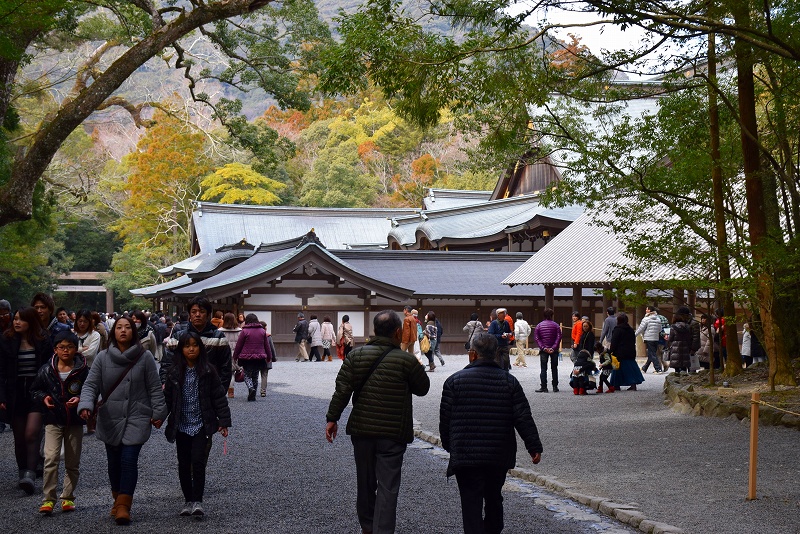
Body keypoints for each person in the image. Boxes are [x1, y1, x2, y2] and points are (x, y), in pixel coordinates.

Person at [325, 310, 430, 534]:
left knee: (365, 482)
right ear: (396, 332)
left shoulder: (356, 356)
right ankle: (382, 530)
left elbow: (342, 390)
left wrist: (332, 418)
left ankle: (367, 526)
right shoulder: (406, 360)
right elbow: (423, 388)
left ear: (374, 331)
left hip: (362, 431)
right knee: (388, 486)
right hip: (393, 432)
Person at [439, 332, 543, 534]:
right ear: (496, 353)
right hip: (498, 453)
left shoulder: (454, 381)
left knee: (470, 501)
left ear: (472, 354)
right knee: (494, 496)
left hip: (466, 453)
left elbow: (446, 419)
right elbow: (523, 417)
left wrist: (449, 445)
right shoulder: (509, 382)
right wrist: (533, 446)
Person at [77, 316, 168, 525]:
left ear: (133, 332)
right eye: (119, 327)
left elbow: (154, 387)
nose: (123, 330)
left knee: (128, 460)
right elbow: (90, 385)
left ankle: (124, 506)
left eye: (128, 327)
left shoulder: (144, 357)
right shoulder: (102, 357)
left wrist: (159, 412)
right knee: (114, 462)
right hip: (111, 415)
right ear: (113, 332)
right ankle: (117, 499)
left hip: (137, 414)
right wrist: (86, 405)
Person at [161, 331, 231, 517]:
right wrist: (158, 417)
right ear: (181, 349)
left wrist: (223, 422)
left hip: (201, 423)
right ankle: (188, 500)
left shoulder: (208, 371)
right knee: (183, 464)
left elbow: (218, 397)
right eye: (187, 345)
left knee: (198, 462)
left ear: (200, 348)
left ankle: (198, 500)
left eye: (195, 345)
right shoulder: (174, 372)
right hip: (181, 424)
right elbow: (167, 399)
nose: (191, 349)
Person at [30, 330, 89, 514]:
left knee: (72, 462)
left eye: (70, 347)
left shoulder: (82, 370)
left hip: (75, 421)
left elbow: (91, 390)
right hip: (53, 419)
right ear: (55, 349)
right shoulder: (46, 369)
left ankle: (68, 497)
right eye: (62, 347)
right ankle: (48, 499)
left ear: (76, 349)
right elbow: (35, 390)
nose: (66, 351)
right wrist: (44, 398)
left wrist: (80, 399)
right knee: (51, 459)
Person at [0, 306, 53, 493]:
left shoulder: (43, 341)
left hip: (35, 392)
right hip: (15, 393)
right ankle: (22, 471)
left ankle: (30, 473)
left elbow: (49, 368)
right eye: (15, 319)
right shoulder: (6, 341)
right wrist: (2, 396)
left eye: (21, 319)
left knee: (31, 433)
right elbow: (1, 372)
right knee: (19, 437)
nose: (16, 322)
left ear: (30, 322)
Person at [161, 297, 232, 391]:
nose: (197, 315)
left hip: (210, 389)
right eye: (194, 312)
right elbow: (167, 363)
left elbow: (225, 367)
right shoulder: (178, 337)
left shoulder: (218, 337)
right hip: (182, 388)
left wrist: (221, 390)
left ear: (208, 314)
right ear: (189, 314)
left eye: (202, 311)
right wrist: (166, 383)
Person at [232, 314, 273, 401]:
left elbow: (239, 345)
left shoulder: (245, 331)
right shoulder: (262, 331)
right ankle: (253, 394)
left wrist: (235, 356)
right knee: (255, 375)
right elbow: (267, 346)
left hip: (247, 358)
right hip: (259, 357)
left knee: (247, 375)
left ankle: (251, 388)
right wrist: (269, 356)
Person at [609, 312, 644, 391]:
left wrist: (611, 351)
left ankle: (616, 384)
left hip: (619, 352)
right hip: (630, 351)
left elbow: (614, 342)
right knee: (630, 369)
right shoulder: (630, 330)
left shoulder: (617, 330)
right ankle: (633, 384)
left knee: (617, 369)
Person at [533, 308, 562, 393]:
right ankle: (555, 386)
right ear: (552, 315)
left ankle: (544, 387)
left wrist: (543, 347)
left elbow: (537, 338)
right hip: (554, 350)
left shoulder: (539, 325)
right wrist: (553, 347)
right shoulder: (556, 325)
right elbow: (558, 337)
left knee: (543, 368)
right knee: (554, 368)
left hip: (544, 350)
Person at [218, 313, 242, 398]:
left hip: (223, 354)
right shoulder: (239, 331)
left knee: (223, 372)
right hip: (235, 354)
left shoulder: (220, 331)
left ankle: (222, 390)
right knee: (232, 373)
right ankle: (231, 391)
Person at [635, 306, 664, 374]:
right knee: (652, 353)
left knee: (652, 354)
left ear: (649, 310)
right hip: (656, 338)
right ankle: (644, 368)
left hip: (649, 338)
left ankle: (658, 369)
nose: (646, 310)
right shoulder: (658, 319)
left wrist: (634, 335)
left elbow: (640, 328)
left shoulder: (646, 319)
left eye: (647, 309)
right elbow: (660, 329)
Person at [258, 321, 277, 396]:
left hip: (256, 357)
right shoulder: (268, 336)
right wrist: (274, 358)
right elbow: (271, 348)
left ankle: (252, 389)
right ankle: (263, 391)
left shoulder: (254, 336)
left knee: (255, 375)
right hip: (266, 358)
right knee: (264, 374)